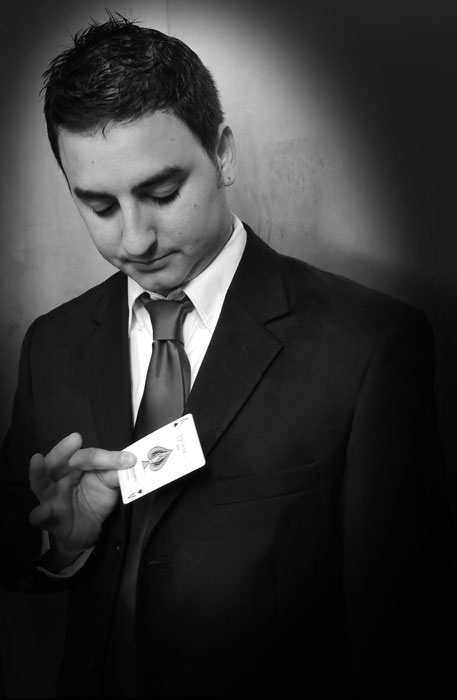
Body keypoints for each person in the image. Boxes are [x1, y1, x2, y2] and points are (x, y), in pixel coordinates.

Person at [0, 14, 452, 700]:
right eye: (98, 206)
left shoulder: (368, 346)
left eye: (161, 193)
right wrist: (62, 547)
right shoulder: (51, 344)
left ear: (223, 154)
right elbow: (13, 545)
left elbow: (402, 628)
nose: (135, 240)